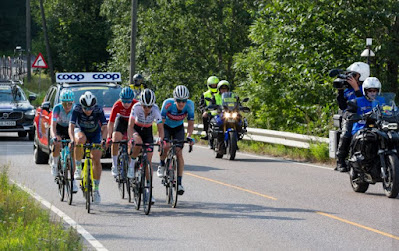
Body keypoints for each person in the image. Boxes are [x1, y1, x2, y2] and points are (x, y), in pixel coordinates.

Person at [69, 91, 108, 204]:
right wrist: (72, 139)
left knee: (96, 158)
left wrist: (104, 140)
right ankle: (78, 168)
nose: (88, 110)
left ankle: (96, 190)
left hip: (94, 133)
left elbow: (105, 127)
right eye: (85, 108)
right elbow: (71, 126)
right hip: (81, 131)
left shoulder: (98, 109)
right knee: (80, 140)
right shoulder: (77, 109)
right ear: (82, 106)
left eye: (90, 108)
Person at [127, 89, 164, 204]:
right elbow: (130, 125)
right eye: (145, 106)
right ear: (141, 104)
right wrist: (131, 139)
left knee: (148, 160)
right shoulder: (136, 107)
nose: (147, 109)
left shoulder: (156, 109)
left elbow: (160, 127)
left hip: (147, 131)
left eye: (149, 106)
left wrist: (160, 139)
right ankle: (131, 165)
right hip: (136, 129)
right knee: (137, 143)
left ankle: (149, 192)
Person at [157, 85, 195, 195]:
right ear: (175, 100)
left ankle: (179, 183)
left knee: (179, 153)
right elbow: (161, 122)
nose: (181, 103)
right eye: (179, 101)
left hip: (178, 128)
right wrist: (161, 137)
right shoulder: (167, 104)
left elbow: (191, 123)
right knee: (166, 146)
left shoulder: (190, 105)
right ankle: (162, 164)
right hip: (166, 127)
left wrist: (189, 136)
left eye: (184, 101)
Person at [335, 62, 370, 172]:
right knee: (346, 132)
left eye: (353, 75)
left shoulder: (366, 87)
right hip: (350, 114)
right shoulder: (346, 88)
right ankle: (340, 160)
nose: (350, 77)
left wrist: (356, 88)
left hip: (366, 113)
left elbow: (365, 102)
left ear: (361, 75)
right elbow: (342, 106)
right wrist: (340, 92)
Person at [50, 89, 78, 193]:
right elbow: (53, 126)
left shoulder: (75, 109)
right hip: (59, 128)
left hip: (70, 129)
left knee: (72, 152)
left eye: (69, 103)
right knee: (57, 142)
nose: (67, 106)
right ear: (61, 103)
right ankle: (55, 164)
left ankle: (73, 180)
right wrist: (54, 136)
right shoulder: (57, 108)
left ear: (73, 102)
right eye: (64, 103)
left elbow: (78, 126)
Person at [107, 87, 138, 177]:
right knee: (115, 138)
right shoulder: (117, 105)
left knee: (132, 141)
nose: (126, 104)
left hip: (132, 122)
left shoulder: (136, 104)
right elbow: (111, 122)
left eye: (129, 101)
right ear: (121, 99)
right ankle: (114, 165)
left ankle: (130, 163)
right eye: (124, 101)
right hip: (121, 121)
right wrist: (109, 136)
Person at [199, 76, 219, 140]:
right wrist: (204, 110)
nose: (214, 86)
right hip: (210, 111)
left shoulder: (222, 93)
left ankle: (234, 138)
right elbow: (201, 105)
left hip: (221, 111)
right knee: (205, 116)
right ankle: (207, 133)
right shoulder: (205, 94)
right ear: (209, 85)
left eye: (215, 85)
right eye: (212, 85)